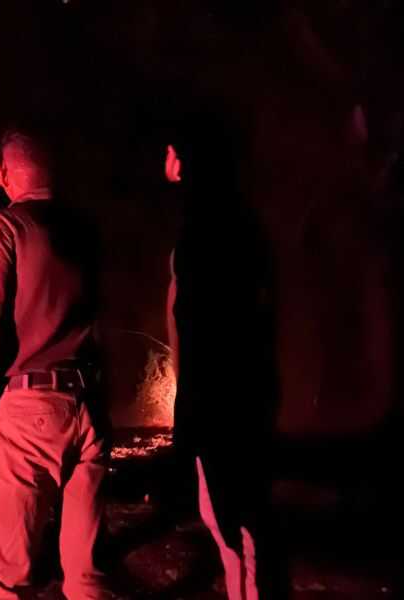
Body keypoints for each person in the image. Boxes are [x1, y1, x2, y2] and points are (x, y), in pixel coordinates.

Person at [0, 129, 110, 599]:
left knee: (6, 579)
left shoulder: (3, 227)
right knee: (87, 577)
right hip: (89, 407)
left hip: (32, 411)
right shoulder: (85, 230)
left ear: (5, 168)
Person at [165, 126, 281, 600]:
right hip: (247, 390)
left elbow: (198, 325)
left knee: (231, 517)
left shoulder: (203, 231)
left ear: (186, 161)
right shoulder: (239, 223)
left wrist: (189, 412)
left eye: (171, 151)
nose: (165, 159)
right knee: (237, 516)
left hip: (218, 394)